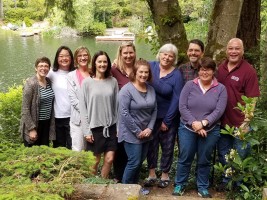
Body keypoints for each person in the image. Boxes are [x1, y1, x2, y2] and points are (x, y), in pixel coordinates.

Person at [172, 57, 227, 198]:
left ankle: (202, 186)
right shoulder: (190, 85)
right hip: (187, 128)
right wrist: (195, 124)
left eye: (208, 69)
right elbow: (182, 106)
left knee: (204, 159)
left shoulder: (220, 88)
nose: (205, 72)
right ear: (199, 71)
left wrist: (203, 123)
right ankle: (180, 184)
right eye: (202, 69)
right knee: (185, 157)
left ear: (213, 71)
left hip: (210, 130)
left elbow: (219, 110)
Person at [216, 38, 260, 190]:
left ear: (242, 51)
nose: (233, 52)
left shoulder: (248, 71)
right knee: (224, 154)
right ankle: (225, 181)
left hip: (240, 124)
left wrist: (246, 123)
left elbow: (252, 100)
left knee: (240, 156)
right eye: (231, 48)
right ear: (226, 50)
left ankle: (238, 185)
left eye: (237, 49)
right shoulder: (220, 68)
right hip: (222, 123)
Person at [145, 43, 183, 188]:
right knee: (151, 145)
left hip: (168, 117)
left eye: (170, 56)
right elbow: (135, 71)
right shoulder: (150, 66)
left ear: (174, 59)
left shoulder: (176, 74)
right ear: (159, 54)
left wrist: (167, 120)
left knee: (167, 147)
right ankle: (151, 174)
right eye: (164, 54)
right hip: (149, 117)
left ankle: (165, 175)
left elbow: (177, 99)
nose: (166, 58)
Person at [80, 51, 119, 178]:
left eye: (105, 62)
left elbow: (116, 106)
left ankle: (103, 182)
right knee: (94, 161)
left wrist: (118, 127)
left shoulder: (113, 82)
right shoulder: (87, 83)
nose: (102, 64)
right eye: (99, 61)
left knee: (109, 159)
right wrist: (86, 131)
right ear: (95, 63)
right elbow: (83, 108)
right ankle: (92, 184)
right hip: (94, 127)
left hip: (110, 127)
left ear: (108, 64)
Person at [118, 59, 157, 184]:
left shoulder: (151, 89)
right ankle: (125, 190)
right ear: (135, 72)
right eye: (141, 72)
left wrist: (150, 128)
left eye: (146, 72)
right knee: (134, 162)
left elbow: (155, 110)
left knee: (139, 162)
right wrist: (137, 131)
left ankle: (134, 188)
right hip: (131, 133)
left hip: (146, 132)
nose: (143, 75)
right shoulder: (126, 90)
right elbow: (124, 113)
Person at [111, 41, 136, 183]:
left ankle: (131, 178)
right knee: (119, 146)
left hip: (136, 115)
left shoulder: (138, 68)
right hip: (119, 115)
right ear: (120, 54)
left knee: (133, 148)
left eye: (130, 52)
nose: (128, 56)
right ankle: (118, 177)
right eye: (125, 53)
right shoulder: (114, 70)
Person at [20, 57, 55, 147]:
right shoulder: (31, 84)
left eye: (46, 66)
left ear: (49, 68)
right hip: (34, 124)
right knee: (32, 155)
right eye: (40, 66)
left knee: (44, 153)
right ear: (36, 68)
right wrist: (31, 128)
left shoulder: (48, 82)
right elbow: (25, 108)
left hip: (46, 124)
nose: (43, 68)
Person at [48, 46, 75, 149]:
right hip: (57, 118)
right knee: (59, 149)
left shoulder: (76, 73)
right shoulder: (51, 73)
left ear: (71, 58)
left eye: (67, 56)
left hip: (74, 117)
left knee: (73, 148)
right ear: (57, 58)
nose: (64, 58)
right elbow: (39, 79)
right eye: (61, 56)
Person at [67, 46, 91, 151]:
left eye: (85, 55)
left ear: (89, 57)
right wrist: (86, 113)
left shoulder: (94, 73)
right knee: (78, 151)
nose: (83, 58)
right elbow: (73, 100)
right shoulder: (71, 76)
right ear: (76, 59)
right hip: (78, 121)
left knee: (92, 152)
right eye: (79, 56)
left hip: (94, 120)